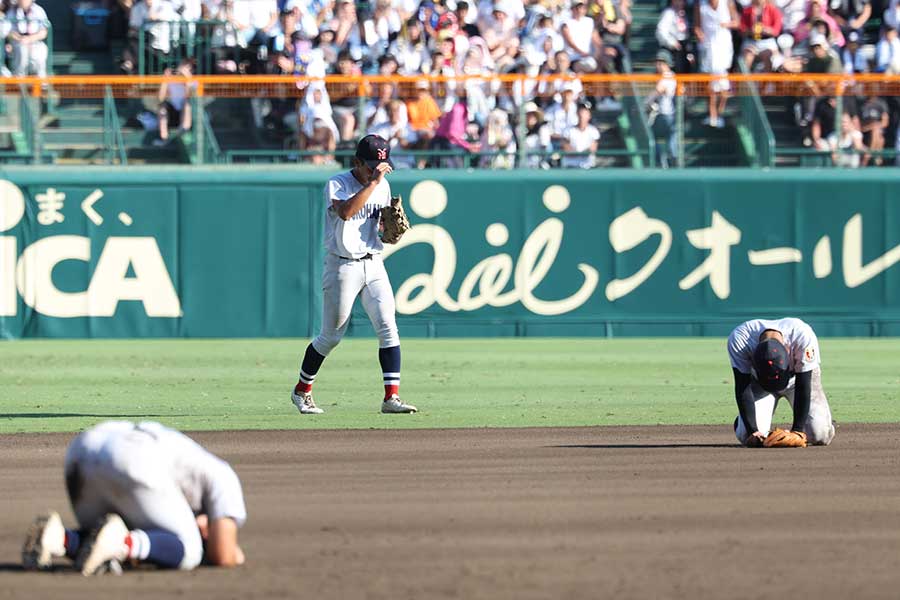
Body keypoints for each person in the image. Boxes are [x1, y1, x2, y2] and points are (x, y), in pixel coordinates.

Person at [290, 134, 417, 415]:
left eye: (381, 166)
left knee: (388, 328)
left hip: (373, 262)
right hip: (342, 265)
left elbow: (381, 231)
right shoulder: (337, 183)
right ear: (357, 162)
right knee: (331, 336)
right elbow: (346, 212)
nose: (377, 171)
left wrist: (389, 233)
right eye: (372, 166)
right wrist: (373, 183)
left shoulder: (382, 185)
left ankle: (391, 398)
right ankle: (302, 391)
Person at [21, 420, 247, 575]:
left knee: (102, 539)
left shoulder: (191, 466)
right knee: (189, 551)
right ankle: (124, 543)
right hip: (133, 457)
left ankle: (60, 538)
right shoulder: (224, 475)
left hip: (82, 447)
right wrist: (233, 553)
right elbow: (223, 555)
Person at [727, 318, 835, 447]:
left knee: (820, 435)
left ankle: (824, 422)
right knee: (746, 436)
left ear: (788, 350)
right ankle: (741, 423)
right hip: (759, 383)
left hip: (797, 380)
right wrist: (753, 431)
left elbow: (803, 385)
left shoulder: (802, 336)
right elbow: (742, 386)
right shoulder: (740, 339)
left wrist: (798, 431)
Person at [695, 0, 738, 128]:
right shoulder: (699, 4)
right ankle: (712, 115)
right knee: (710, 84)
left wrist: (726, 24)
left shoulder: (728, 3)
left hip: (724, 47)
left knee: (723, 84)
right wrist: (699, 34)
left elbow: (737, 22)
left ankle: (719, 114)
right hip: (707, 48)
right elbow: (697, 26)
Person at [7, 0, 50, 77]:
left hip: (35, 41)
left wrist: (30, 39)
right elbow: (8, 31)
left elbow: (44, 32)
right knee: (22, 51)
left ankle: (42, 84)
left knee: (42, 51)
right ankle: (20, 83)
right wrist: (21, 38)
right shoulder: (12, 11)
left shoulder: (38, 10)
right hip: (18, 42)